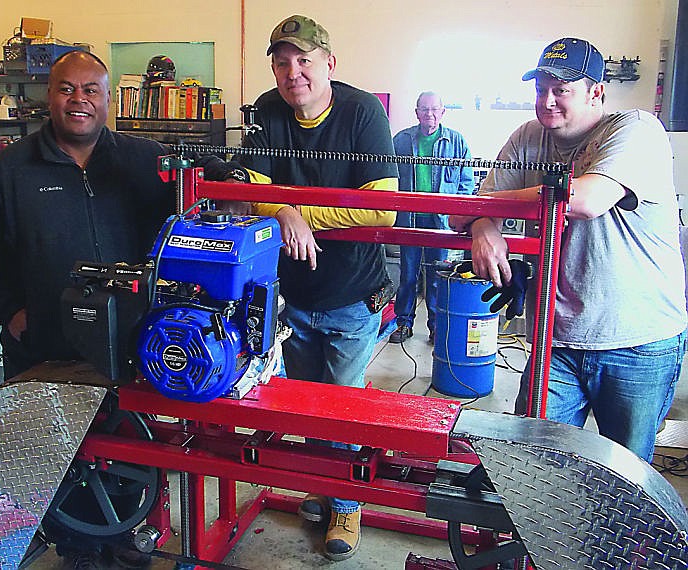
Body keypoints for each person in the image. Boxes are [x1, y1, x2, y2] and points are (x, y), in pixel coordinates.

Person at [0, 50, 174, 567]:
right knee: (54, 456)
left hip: (128, 345)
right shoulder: (7, 171)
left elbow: (212, 182)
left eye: (91, 90)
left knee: (130, 445)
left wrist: (272, 205)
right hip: (44, 349)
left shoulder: (141, 160)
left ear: (108, 100)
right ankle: (73, 546)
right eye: (66, 89)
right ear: (48, 97)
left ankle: (126, 535)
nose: (79, 100)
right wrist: (12, 314)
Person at [449, 38, 687, 462]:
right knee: (532, 463)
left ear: (596, 91)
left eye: (562, 89)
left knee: (626, 474)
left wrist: (488, 211)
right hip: (555, 339)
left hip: (636, 342)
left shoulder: (635, 130)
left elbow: (585, 201)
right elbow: (468, 210)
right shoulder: (528, 136)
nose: (548, 101)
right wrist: (485, 230)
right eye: (541, 89)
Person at [236, 14, 398, 561]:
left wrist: (298, 214)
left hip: (352, 294)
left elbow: (382, 207)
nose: (292, 72)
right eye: (282, 62)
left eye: (304, 60)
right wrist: (281, 210)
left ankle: (346, 507)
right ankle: (323, 486)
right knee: (304, 408)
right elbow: (249, 186)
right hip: (293, 294)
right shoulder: (265, 110)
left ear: (329, 63)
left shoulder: (362, 112)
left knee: (341, 409)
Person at [389, 91, 474, 344]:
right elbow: (389, 177)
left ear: (443, 112)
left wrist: (456, 213)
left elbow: (466, 183)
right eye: (424, 110)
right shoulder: (401, 141)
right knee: (408, 276)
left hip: (442, 221)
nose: (430, 115)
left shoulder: (457, 142)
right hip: (410, 219)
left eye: (434, 110)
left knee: (438, 277)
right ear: (417, 113)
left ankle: (437, 327)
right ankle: (403, 323)